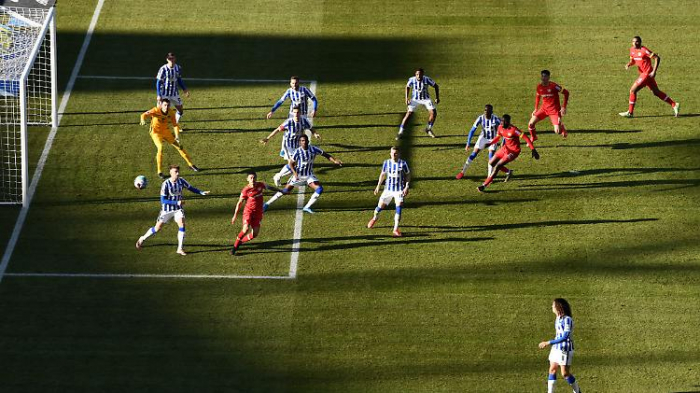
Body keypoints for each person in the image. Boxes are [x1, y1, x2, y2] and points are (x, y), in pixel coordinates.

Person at [136, 164, 209, 256]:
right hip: (166, 210)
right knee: (157, 228)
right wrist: (176, 202)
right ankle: (142, 238)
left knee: (182, 224)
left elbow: (191, 188)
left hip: (178, 209)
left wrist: (201, 192)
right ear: (171, 173)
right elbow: (163, 200)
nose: (177, 174)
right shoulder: (165, 184)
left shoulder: (181, 181)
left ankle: (180, 248)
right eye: (175, 172)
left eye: (178, 172)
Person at [263, 135, 342, 214]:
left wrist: (334, 161)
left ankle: (307, 207)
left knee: (319, 189)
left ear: (308, 141)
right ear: (300, 143)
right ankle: (266, 204)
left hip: (309, 175)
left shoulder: (314, 149)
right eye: (302, 141)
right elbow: (291, 164)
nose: (304, 142)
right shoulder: (297, 151)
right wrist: (295, 173)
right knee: (285, 191)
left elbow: (326, 155)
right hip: (299, 175)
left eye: (305, 140)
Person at [619, 36, 679, 118]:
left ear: (640, 42)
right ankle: (674, 104)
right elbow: (633, 60)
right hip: (644, 74)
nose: (634, 43)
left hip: (647, 74)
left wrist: (654, 71)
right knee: (656, 92)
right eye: (633, 41)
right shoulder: (632, 50)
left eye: (636, 41)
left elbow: (657, 58)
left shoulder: (644, 50)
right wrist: (629, 64)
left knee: (633, 90)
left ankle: (630, 112)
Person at [260, 106, 321, 186]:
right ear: (292, 113)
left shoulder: (304, 121)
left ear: (300, 113)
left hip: (297, 144)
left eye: (297, 112)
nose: (296, 114)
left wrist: (315, 134)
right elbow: (278, 129)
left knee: (297, 163)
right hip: (288, 145)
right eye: (294, 112)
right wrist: (267, 138)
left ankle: (283, 176)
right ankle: (278, 176)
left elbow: (311, 128)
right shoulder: (289, 122)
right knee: (292, 163)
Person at [477, 114, 539, 192]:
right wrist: (490, 143)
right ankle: (509, 172)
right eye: (502, 121)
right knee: (491, 163)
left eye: (503, 121)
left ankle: (484, 185)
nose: (502, 122)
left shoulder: (514, 130)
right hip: (505, 148)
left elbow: (526, 138)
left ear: (508, 122)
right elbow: (497, 137)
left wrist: (533, 149)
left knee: (497, 166)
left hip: (513, 152)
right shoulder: (500, 127)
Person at [140, 99, 199, 179]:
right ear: (161, 105)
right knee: (160, 148)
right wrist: (143, 120)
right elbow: (143, 115)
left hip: (166, 131)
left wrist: (177, 136)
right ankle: (159, 172)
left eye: (168, 105)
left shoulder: (171, 112)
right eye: (165, 105)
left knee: (179, 147)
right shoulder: (156, 110)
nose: (166, 107)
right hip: (156, 133)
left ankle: (191, 164)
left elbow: (175, 125)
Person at [230, 172, 281, 255]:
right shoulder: (245, 190)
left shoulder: (260, 185)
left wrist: (280, 190)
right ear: (247, 179)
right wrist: (235, 215)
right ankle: (234, 247)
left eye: (254, 178)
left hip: (258, 212)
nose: (252, 180)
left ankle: (240, 242)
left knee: (255, 234)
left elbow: (269, 187)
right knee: (245, 229)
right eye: (251, 178)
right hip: (248, 211)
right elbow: (239, 203)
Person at [538, 298, 583, 393]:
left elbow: (565, 336)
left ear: (559, 307)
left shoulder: (567, 320)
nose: (552, 307)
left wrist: (548, 342)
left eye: (553, 305)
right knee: (552, 369)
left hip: (565, 349)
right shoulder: (558, 318)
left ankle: (577, 391)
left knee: (565, 374)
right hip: (556, 348)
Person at [367, 146, 410, 237]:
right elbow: (382, 174)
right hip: (388, 190)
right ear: (390, 153)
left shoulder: (403, 164)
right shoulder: (386, 163)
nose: (393, 155)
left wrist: (406, 186)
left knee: (399, 207)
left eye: (395, 153)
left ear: (398, 154)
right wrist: (378, 186)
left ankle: (395, 229)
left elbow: (408, 174)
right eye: (392, 153)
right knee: (380, 207)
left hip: (399, 190)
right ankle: (375, 218)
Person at [456, 104, 501, 179]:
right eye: (485, 110)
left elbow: (504, 129)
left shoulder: (496, 119)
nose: (486, 112)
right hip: (483, 137)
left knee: (491, 158)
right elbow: (472, 130)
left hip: (493, 139)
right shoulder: (480, 118)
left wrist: (503, 142)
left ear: (491, 112)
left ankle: (489, 177)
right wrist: (468, 143)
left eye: (488, 111)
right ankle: (462, 172)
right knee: (474, 153)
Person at [397, 68, 440, 139]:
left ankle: (428, 129)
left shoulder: (427, 79)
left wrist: (437, 97)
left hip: (426, 99)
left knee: (433, 113)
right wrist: (406, 98)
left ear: (423, 74)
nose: (418, 76)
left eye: (420, 74)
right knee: (408, 114)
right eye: (417, 74)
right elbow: (407, 87)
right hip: (415, 99)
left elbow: (436, 86)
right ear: (415, 74)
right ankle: (400, 132)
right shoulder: (412, 79)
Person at [528, 70, 569, 141]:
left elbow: (566, 93)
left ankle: (561, 127)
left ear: (549, 77)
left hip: (554, 111)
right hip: (544, 109)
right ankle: (533, 137)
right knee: (531, 123)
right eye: (542, 76)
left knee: (557, 131)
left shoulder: (554, 86)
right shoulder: (539, 87)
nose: (543, 78)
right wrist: (535, 109)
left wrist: (563, 107)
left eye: (545, 76)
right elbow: (538, 97)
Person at [156, 52, 189, 124]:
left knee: (180, 110)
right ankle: (159, 128)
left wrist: (184, 89)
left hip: (174, 93)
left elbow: (179, 79)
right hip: (164, 94)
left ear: (175, 59)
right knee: (161, 112)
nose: (171, 60)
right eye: (169, 58)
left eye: (172, 58)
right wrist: (158, 94)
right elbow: (158, 82)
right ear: (167, 59)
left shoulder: (178, 68)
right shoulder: (163, 69)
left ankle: (175, 124)